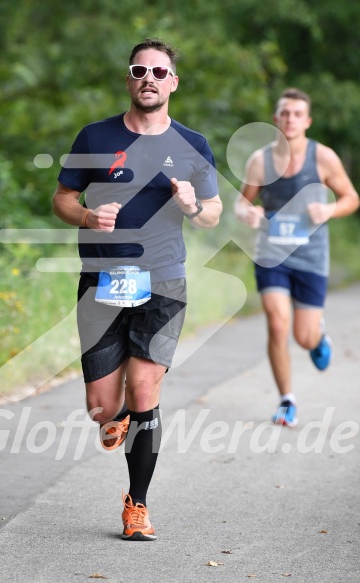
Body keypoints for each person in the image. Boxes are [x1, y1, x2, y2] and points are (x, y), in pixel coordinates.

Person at [52, 38, 222, 540]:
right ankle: (117, 414)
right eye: (139, 69)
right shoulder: (94, 136)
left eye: (159, 71)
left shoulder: (193, 144)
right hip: (102, 282)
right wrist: (84, 214)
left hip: (164, 281)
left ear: (173, 82)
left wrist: (193, 203)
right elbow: (62, 197)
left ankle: (137, 505)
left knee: (146, 388)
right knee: (103, 408)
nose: (148, 77)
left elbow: (212, 215)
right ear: (129, 79)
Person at [235, 87, 359, 427]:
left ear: (307, 121)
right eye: (284, 113)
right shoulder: (260, 160)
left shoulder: (323, 158)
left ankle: (317, 334)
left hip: (311, 256)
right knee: (277, 324)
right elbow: (242, 202)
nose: (290, 119)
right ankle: (286, 400)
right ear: (276, 120)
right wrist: (247, 213)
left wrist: (330, 208)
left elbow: (352, 198)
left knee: (303, 337)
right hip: (272, 254)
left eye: (297, 114)